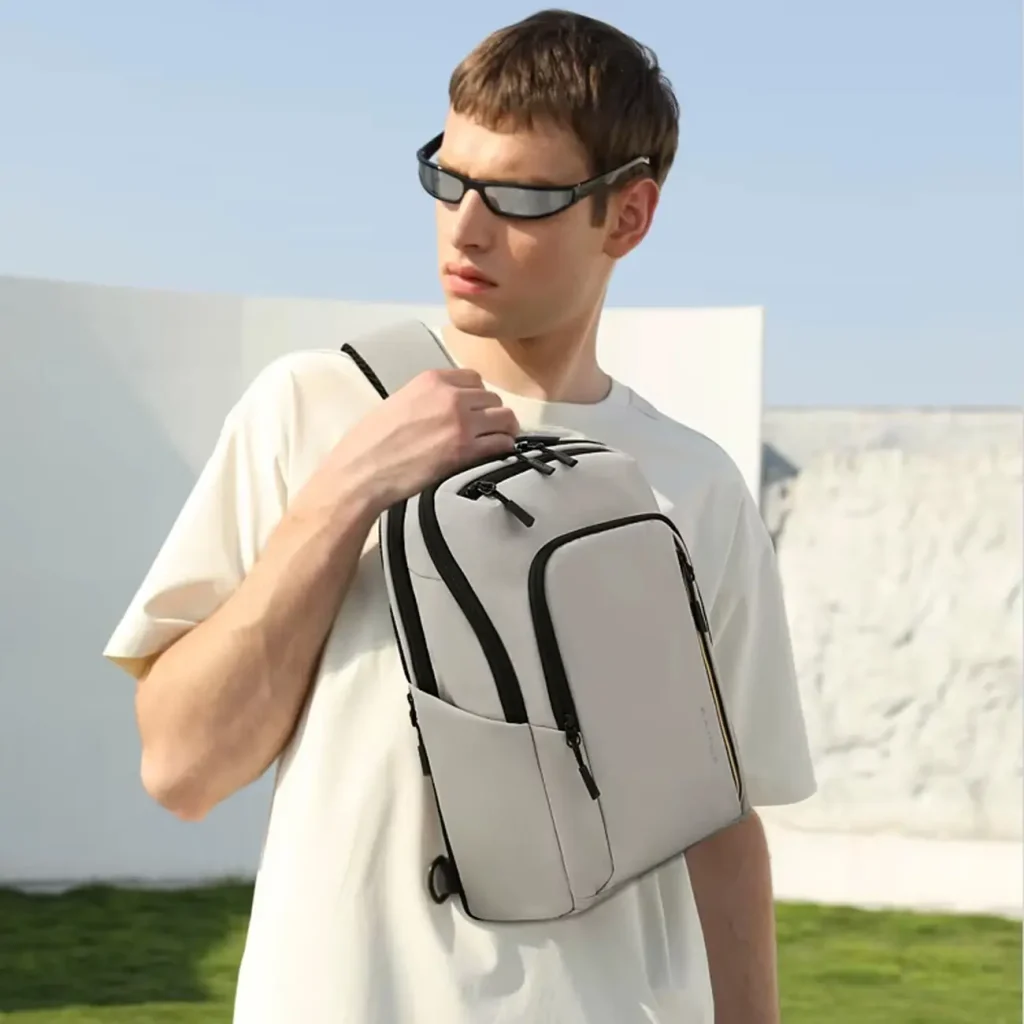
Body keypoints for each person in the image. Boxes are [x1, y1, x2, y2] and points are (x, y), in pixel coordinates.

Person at [104, 9, 816, 1023]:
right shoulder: (310, 408)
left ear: (627, 216)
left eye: (520, 196)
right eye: (448, 178)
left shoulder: (694, 487)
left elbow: (722, 829)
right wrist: (348, 489)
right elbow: (182, 768)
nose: (465, 227)